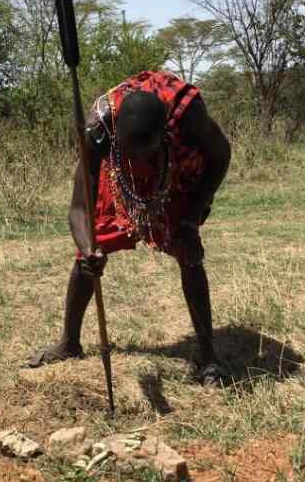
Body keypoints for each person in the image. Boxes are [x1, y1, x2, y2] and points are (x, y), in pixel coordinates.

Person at [27, 70, 231, 385]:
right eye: (128, 147)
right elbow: (79, 207)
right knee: (88, 256)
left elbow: (221, 155)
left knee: (189, 250)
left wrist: (192, 214)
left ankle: (207, 357)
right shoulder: (99, 130)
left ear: (163, 133)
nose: (137, 156)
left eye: (143, 149)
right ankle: (69, 343)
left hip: (174, 171)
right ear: (116, 135)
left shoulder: (187, 114)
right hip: (118, 178)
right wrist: (88, 247)